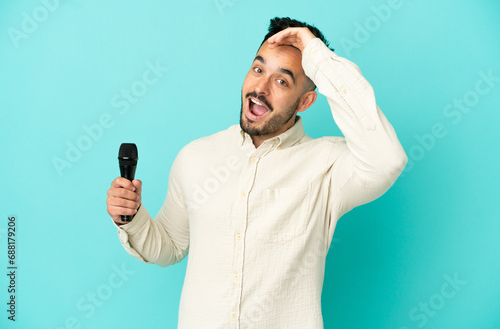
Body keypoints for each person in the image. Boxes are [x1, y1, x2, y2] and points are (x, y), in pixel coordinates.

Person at [106, 17, 407, 328]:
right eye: (258, 69)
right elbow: (169, 246)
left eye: (282, 81)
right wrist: (133, 216)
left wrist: (317, 57)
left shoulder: (328, 165)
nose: (260, 88)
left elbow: (387, 159)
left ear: (306, 100)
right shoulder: (195, 156)